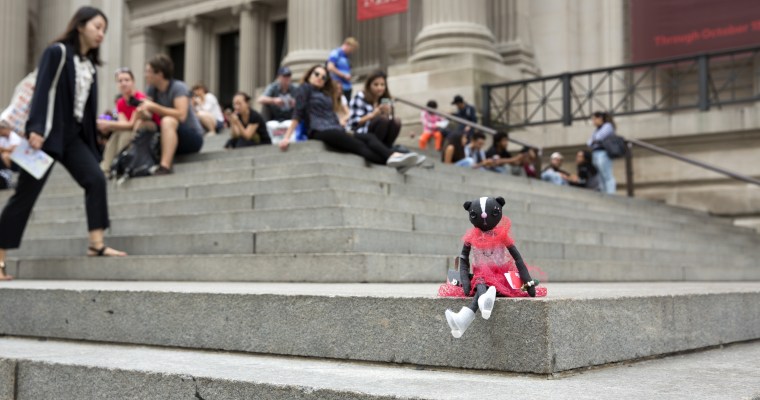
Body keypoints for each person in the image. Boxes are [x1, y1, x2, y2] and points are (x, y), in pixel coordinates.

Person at [0, 6, 126, 281]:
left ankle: (96, 244)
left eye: (104, 29)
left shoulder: (90, 66)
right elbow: (43, 88)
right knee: (25, 196)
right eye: (97, 27)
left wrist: (94, 141)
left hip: (73, 138)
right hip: (45, 136)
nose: (101, 33)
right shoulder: (57, 52)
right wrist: (34, 127)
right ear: (80, 26)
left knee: (95, 178)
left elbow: (87, 108)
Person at [279, 64, 424, 173]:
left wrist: (341, 126)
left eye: (323, 77)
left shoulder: (325, 94)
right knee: (359, 147)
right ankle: (394, 159)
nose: (319, 78)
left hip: (334, 128)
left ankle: (396, 158)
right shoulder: (304, 89)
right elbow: (297, 113)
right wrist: (287, 137)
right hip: (319, 130)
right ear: (310, 74)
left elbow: (332, 114)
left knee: (369, 137)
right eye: (317, 74)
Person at [137, 54, 204, 175]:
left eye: (149, 71)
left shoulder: (179, 87)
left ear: (160, 74)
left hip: (191, 137)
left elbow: (181, 115)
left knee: (168, 120)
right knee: (144, 123)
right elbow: (150, 115)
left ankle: (165, 166)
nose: (145, 75)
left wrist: (155, 107)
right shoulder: (151, 90)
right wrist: (143, 113)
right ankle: (138, 162)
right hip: (167, 134)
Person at [96, 67, 159, 176]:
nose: (123, 83)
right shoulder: (120, 102)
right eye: (120, 81)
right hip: (133, 129)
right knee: (117, 133)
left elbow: (130, 124)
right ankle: (105, 169)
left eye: (127, 80)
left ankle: (120, 164)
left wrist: (108, 123)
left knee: (124, 133)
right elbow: (124, 124)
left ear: (133, 82)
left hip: (149, 129)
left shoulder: (140, 98)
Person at [347, 70, 400, 149]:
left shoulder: (385, 99)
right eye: (376, 84)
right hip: (361, 132)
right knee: (383, 119)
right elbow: (353, 122)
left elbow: (391, 122)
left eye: (382, 85)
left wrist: (389, 113)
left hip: (380, 132)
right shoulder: (360, 97)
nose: (380, 88)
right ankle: (378, 149)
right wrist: (373, 115)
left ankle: (386, 147)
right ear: (369, 85)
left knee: (396, 121)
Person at [587, 111, 617, 194]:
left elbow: (599, 137)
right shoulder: (596, 129)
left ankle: (611, 193)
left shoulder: (608, 126)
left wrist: (593, 141)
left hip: (603, 153)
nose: (593, 122)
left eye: (594, 119)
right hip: (596, 152)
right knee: (600, 175)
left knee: (606, 174)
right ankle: (604, 192)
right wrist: (593, 141)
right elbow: (589, 142)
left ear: (600, 118)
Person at [327, 37, 359, 101]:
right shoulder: (336, 53)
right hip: (338, 87)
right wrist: (344, 75)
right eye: (352, 49)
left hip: (347, 87)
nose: (352, 52)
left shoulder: (346, 56)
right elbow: (330, 67)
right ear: (347, 45)